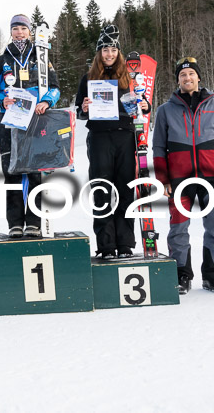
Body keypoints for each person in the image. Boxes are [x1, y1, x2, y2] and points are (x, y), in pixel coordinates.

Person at [153, 57, 214, 295]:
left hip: (212, 177)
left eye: (191, 74)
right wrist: (163, 179)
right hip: (179, 180)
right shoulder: (165, 110)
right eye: (182, 75)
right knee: (178, 228)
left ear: (198, 77)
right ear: (177, 80)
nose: (187, 78)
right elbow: (158, 147)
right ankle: (181, 275)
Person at [74, 25, 149, 258]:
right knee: (102, 189)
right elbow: (79, 111)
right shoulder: (88, 78)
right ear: (99, 52)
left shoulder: (129, 77)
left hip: (125, 136)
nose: (109, 54)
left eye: (113, 50)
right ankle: (106, 245)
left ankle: (125, 244)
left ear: (119, 53)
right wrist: (84, 108)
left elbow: (142, 106)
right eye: (105, 50)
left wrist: (146, 105)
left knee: (126, 190)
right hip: (99, 138)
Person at [0, 13, 60, 238]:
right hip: (8, 123)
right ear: (11, 31)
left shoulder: (41, 56)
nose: (19, 32)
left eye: (23, 28)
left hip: (35, 121)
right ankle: (15, 223)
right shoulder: (2, 60)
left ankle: (34, 222)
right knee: (11, 173)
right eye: (15, 28)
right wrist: (2, 101)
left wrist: (47, 101)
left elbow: (55, 87)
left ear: (30, 31)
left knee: (36, 173)